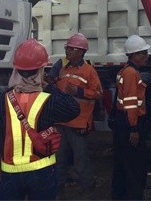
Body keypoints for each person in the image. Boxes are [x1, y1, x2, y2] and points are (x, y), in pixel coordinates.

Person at [0, 39, 80, 200]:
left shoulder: (3, 100)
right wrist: (49, 86)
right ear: (41, 70)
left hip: (10, 175)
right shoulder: (48, 100)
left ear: (16, 70)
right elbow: (73, 109)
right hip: (42, 174)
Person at [47, 33, 103, 196]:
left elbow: (98, 93)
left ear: (81, 52)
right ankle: (59, 193)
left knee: (81, 162)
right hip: (61, 123)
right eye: (67, 48)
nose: (68, 51)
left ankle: (87, 192)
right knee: (59, 161)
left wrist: (79, 91)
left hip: (78, 124)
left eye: (71, 49)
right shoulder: (62, 69)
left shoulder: (89, 71)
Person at [111, 35, 150, 200]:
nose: (146, 56)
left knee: (122, 163)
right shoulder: (131, 73)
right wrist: (133, 129)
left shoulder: (125, 71)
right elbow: (131, 104)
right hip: (129, 123)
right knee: (134, 165)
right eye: (142, 53)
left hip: (122, 121)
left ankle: (120, 195)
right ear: (133, 55)